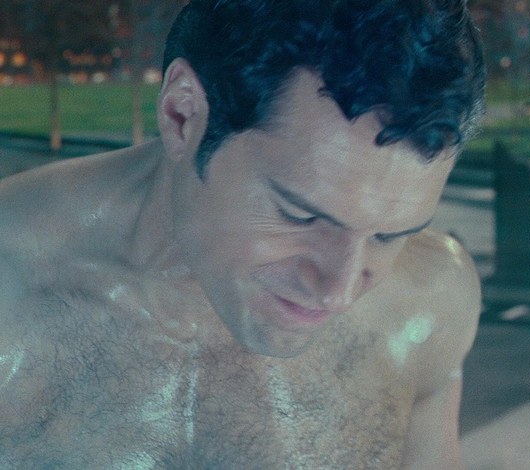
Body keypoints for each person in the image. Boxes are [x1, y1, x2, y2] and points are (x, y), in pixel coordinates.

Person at [0, 0, 485, 467]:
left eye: (389, 236)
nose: (337, 293)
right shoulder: (12, 293)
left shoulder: (428, 304)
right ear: (182, 115)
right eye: (299, 215)